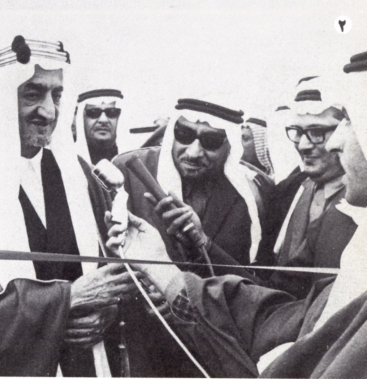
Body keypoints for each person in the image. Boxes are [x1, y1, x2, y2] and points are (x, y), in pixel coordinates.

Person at [107, 51, 367, 378]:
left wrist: (179, 282)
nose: (312, 145)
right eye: (298, 132)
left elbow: (285, 318)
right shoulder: (293, 191)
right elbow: (272, 306)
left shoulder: (253, 199)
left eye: (323, 131)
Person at [0, 36, 138, 377]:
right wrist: (63, 302)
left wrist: (106, 311)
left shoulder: (81, 177)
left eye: (56, 95)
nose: (48, 111)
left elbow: (112, 271)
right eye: (32, 93)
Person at [111, 98, 267, 377]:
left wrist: (203, 245)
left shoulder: (247, 199)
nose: (194, 152)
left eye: (210, 141)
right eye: (184, 135)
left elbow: (251, 287)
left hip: (207, 354)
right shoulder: (128, 171)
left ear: (229, 145)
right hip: (141, 349)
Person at [251, 75, 354, 298]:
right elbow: (274, 286)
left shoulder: (360, 202)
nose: (304, 145)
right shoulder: (292, 190)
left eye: (318, 133)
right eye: (298, 131)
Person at [74, 88, 123, 164]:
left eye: (111, 112)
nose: (103, 120)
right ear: (82, 118)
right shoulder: (69, 161)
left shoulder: (133, 162)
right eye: (94, 112)